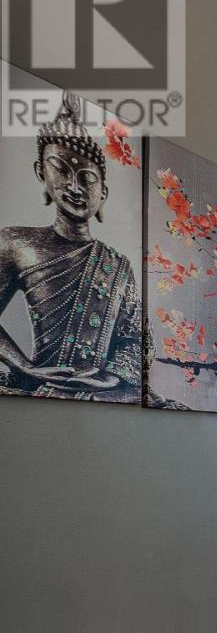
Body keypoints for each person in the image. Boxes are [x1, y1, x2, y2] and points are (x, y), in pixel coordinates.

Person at [0, 94, 141, 403]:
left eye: (87, 178)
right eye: (61, 170)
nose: (75, 187)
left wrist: (112, 377)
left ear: (103, 194)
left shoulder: (118, 264)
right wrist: (25, 367)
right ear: (42, 174)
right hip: (45, 386)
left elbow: (134, 337)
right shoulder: (15, 242)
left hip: (106, 391)